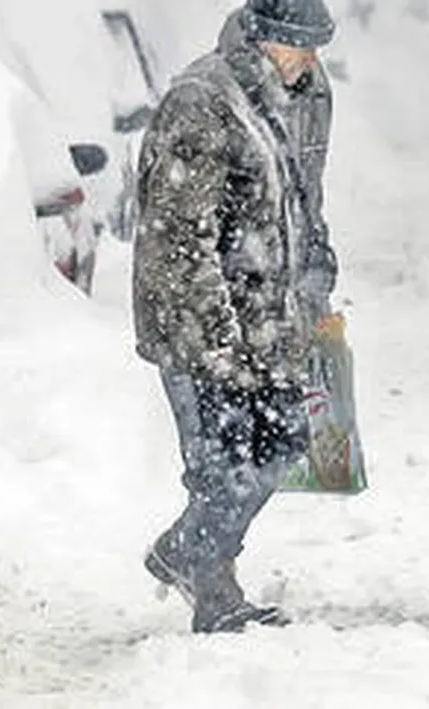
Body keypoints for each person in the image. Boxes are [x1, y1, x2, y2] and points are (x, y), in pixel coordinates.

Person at [131, 0, 338, 633]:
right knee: (221, 464)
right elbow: (177, 239)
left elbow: (304, 201)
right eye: (298, 44)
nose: (310, 59)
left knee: (287, 439)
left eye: (317, 45)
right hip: (197, 322)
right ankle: (214, 588)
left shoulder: (308, 93)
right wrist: (215, 342)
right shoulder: (202, 103)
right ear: (262, 39)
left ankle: (183, 550)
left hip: (274, 317)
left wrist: (318, 282)